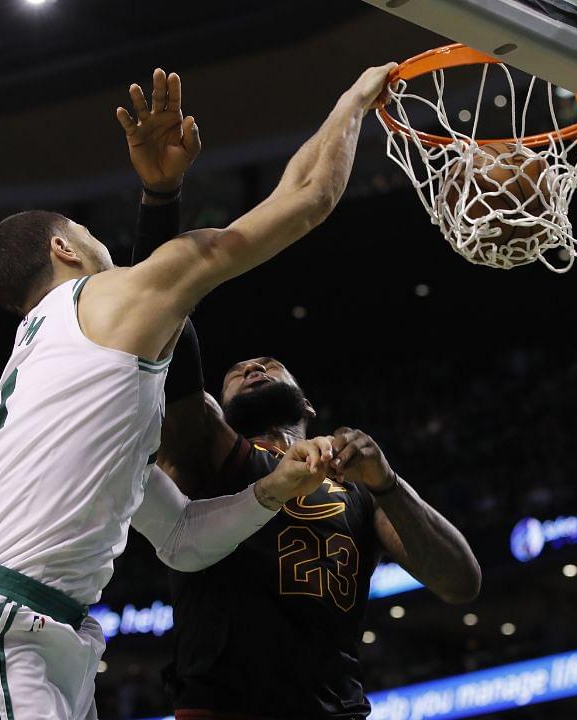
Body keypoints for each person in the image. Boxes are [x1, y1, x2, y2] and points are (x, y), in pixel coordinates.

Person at [0, 63, 396, 720]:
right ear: (65, 247)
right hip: (0, 629)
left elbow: (183, 537)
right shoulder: (108, 301)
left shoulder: (59, 379)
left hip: (33, 632)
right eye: (89, 234)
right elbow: (308, 198)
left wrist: (270, 492)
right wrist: (353, 99)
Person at [118, 73, 482, 719]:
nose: (253, 365)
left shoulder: (358, 486)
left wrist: (390, 483)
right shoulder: (208, 450)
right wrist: (160, 197)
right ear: (217, 404)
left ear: (306, 403)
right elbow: (163, 324)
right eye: (238, 370)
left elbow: (461, 582)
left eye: (269, 363)